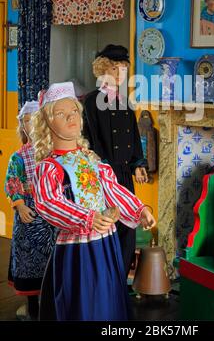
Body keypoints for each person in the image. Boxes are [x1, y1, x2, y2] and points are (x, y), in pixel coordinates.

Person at [31, 82, 156, 321]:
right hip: (76, 248)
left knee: (107, 295)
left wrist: (138, 210)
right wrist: (88, 218)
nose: (71, 117)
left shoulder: (91, 158)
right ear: (46, 123)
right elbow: (49, 202)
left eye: (74, 111)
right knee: (83, 301)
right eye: (60, 113)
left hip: (105, 242)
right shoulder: (49, 167)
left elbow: (111, 189)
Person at [82, 44, 148, 277]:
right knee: (106, 225)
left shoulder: (125, 102)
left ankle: (119, 277)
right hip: (102, 175)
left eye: (123, 69)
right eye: (115, 68)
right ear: (103, 70)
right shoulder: (91, 102)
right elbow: (89, 138)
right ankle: (103, 277)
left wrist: (138, 164)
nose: (120, 74)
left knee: (127, 224)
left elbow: (133, 135)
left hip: (124, 174)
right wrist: (98, 168)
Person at [4, 101, 56, 320]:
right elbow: (12, 181)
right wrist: (20, 204)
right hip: (29, 214)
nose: (31, 125)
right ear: (22, 127)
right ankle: (31, 304)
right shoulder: (18, 157)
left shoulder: (52, 153)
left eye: (34, 120)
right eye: (26, 121)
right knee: (27, 258)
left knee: (52, 258)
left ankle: (52, 300)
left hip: (51, 214)